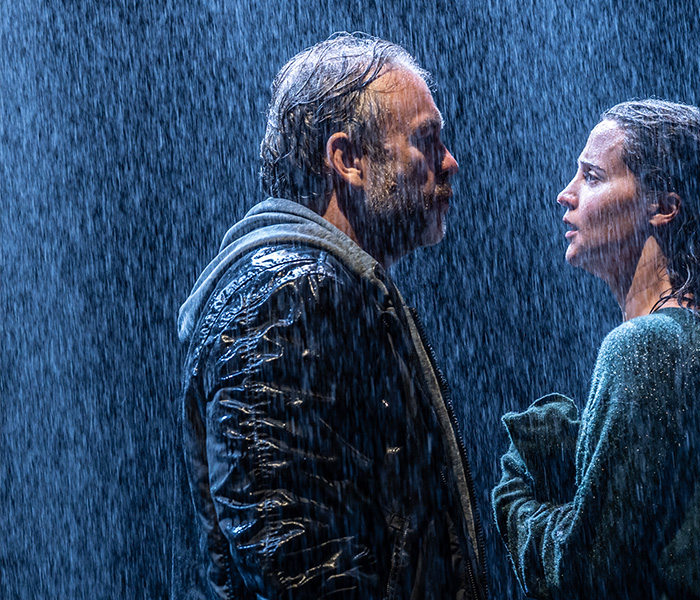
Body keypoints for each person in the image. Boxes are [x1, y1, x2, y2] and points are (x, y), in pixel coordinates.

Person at [177, 33, 487, 599]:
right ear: (348, 160)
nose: (450, 162)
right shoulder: (288, 292)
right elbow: (290, 551)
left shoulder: (329, 287)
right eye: (426, 140)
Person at [492, 99, 700, 599]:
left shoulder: (644, 348)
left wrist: (515, 494)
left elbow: (584, 576)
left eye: (592, 176)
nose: (565, 194)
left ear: (662, 207)